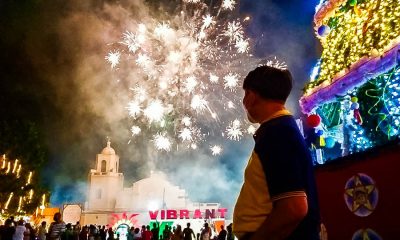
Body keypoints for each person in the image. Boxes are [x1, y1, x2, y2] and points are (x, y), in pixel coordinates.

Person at [233, 65, 320, 239]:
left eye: (245, 94)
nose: (244, 102)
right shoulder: (282, 129)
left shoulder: (277, 133)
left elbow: (294, 208)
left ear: (252, 95)